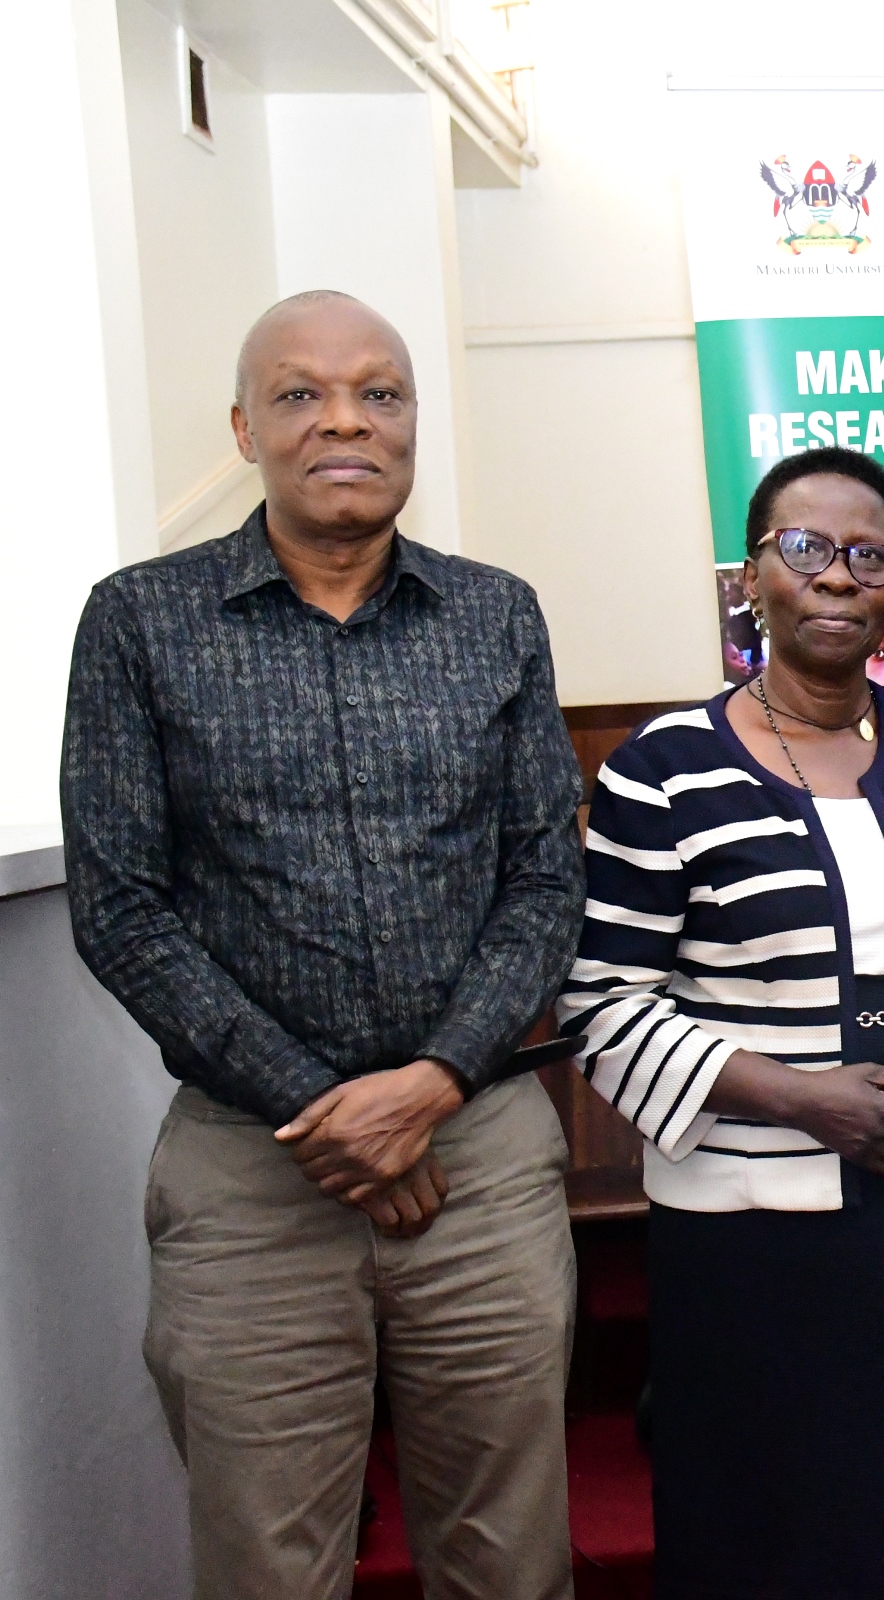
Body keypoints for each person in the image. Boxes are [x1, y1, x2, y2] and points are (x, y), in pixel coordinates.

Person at [61, 290, 585, 1598]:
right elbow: (121, 906)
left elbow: (544, 881)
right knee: (268, 1563)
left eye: (381, 393)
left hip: (479, 1160)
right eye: (301, 393)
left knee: (508, 1558)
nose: (345, 417)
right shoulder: (138, 622)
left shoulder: (496, 615)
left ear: (414, 424)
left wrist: (433, 1083)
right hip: (253, 1173)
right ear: (245, 427)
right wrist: (325, 1113)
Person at [557, 445, 884, 1599]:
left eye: (869, 553)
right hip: (749, 1246)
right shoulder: (664, 768)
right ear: (751, 576)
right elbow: (601, 1005)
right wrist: (800, 1097)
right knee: (763, 1547)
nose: (838, 575)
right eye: (805, 548)